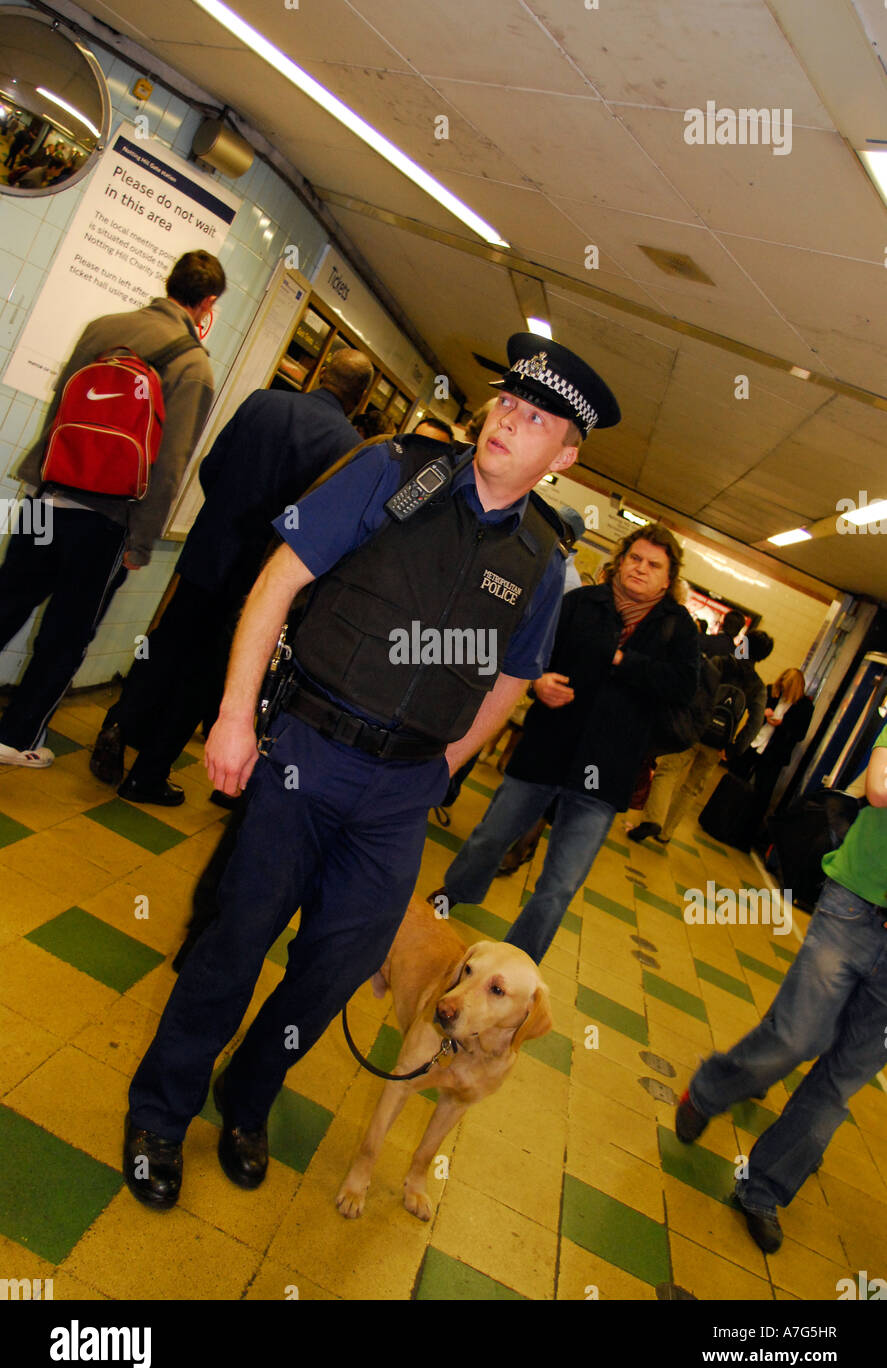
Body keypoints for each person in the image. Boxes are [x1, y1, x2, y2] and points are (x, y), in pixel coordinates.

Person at [122, 331, 622, 1209]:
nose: (510, 419)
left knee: (331, 970)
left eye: (536, 417)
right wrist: (236, 715)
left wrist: (445, 767)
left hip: (401, 794)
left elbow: (512, 675)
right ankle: (161, 1114)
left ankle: (247, 1100)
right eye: (507, 400)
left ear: (563, 455)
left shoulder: (542, 558)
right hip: (306, 753)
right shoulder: (392, 472)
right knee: (234, 942)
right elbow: (277, 581)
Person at [89, 348, 374, 805]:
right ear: (361, 398)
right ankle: (147, 774)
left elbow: (211, 467)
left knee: (166, 643)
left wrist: (225, 516)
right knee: (205, 672)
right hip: (256, 577)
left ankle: (120, 723)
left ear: (321, 372)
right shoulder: (347, 447)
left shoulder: (263, 402)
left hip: (208, 550)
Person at [433, 522, 699, 964]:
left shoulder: (678, 630)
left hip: (606, 771)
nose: (640, 569)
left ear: (668, 580)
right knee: (490, 837)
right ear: (620, 559)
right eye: (635, 558)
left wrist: (623, 660)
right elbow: (533, 654)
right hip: (546, 749)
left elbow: (682, 687)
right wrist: (538, 682)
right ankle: (451, 897)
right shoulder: (580, 604)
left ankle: (520, 958)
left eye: (654, 565)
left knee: (560, 882)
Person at [0, 250, 224, 769]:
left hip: (47, 495)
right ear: (207, 303)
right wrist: (141, 544)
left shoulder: (105, 327)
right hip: (106, 521)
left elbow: (63, 403)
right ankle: (15, 737)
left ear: (168, 283)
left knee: (6, 601)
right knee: (67, 634)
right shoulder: (194, 366)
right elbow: (168, 466)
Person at [676, 727, 887, 1254]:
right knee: (798, 1036)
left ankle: (762, 1190)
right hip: (855, 905)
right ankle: (712, 1088)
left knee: (840, 1082)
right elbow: (880, 788)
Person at [629, 626, 774, 845]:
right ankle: (666, 833)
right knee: (692, 788)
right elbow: (755, 722)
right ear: (763, 657)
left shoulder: (720, 663)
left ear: (743, 643)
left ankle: (653, 819)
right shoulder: (758, 686)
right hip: (718, 744)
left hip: (692, 732)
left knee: (667, 772)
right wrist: (735, 748)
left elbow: (693, 691)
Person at [727, 667, 814, 844]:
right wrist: (763, 712)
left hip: (774, 753)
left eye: (786, 687)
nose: (782, 689)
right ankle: (725, 820)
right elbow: (751, 708)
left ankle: (744, 835)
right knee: (734, 780)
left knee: (762, 794)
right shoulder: (770, 692)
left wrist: (783, 723)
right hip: (754, 743)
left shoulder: (805, 707)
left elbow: (800, 734)